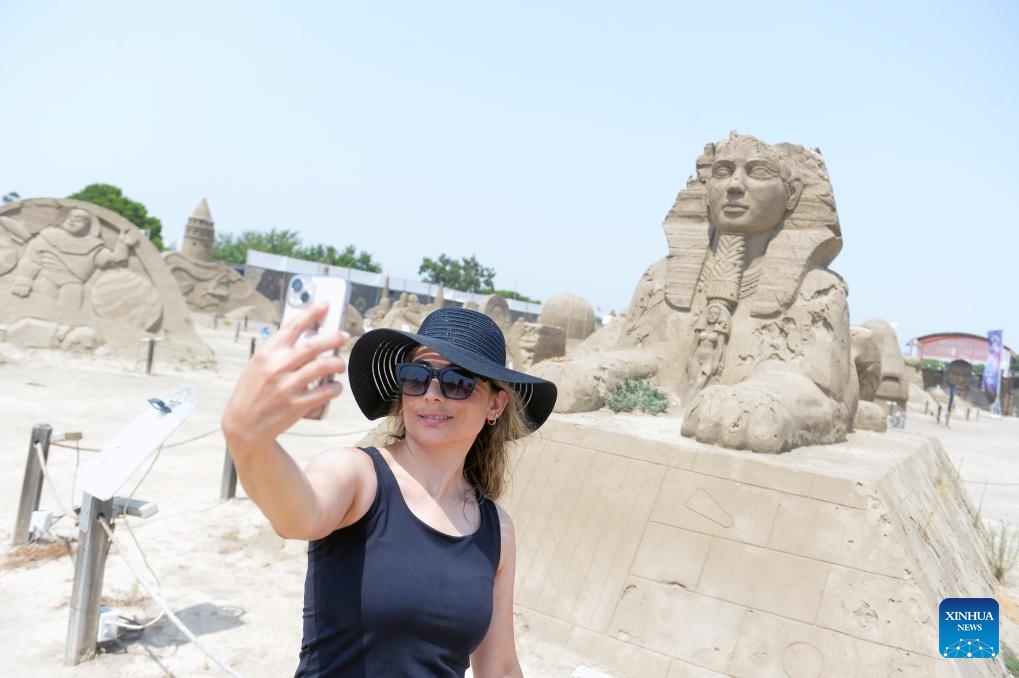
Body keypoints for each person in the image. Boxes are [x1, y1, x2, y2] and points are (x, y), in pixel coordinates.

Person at [221, 304, 557, 677]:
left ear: (495, 404)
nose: (432, 394)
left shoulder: (498, 531)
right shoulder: (357, 475)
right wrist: (250, 440)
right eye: (416, 376)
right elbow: (299, 517)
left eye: (457, 382)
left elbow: (501, 668)